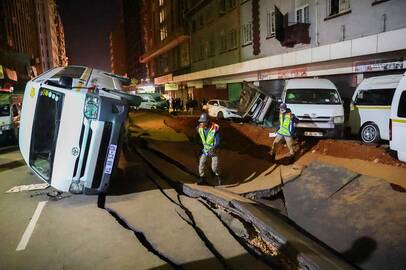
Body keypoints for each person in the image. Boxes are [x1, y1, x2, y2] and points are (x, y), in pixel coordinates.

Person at [196, 112, 221, 185]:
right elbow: (198, 136)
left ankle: (218, 175)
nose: (201, 123)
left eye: (202, 122)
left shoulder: (214, 129)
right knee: (201, 163)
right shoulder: (199, 128)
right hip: (205, 150)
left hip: (213, 151)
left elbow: (218, 140)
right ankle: (202, 177)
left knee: (214, 167)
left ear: (207, 122)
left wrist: (214, 147)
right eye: (200, 121)